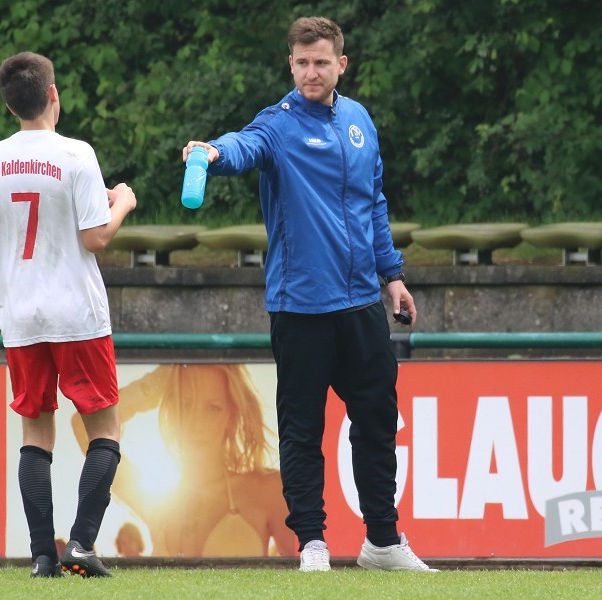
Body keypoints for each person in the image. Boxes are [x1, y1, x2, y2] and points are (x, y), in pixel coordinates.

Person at [182, 17, 437, 572]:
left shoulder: (358, 119)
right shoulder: (278, 124)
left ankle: (383, 543)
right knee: (302, 431)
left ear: (341, 64)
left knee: (377, 420)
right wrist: (212, 153)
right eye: (301, 63)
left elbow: (373, 200)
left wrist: (392, 275)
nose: (311, 72)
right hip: (300, 306)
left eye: (321, 62)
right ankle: (313, 545)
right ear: (290, 64)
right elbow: (243, 146)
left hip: (361, 303)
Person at [0, 51, 137, 579]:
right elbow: (95, 236)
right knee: (105, 427)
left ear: (11, 107)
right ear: (54, 95)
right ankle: (79, 543)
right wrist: (122, 201)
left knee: (36, 431)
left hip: (22, 319)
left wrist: (0, 253)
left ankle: (40, 557)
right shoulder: (77, 154)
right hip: (77, 315)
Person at [71, 364, 296, 557]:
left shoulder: (267, 490)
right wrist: (157, 383)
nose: (195, 424)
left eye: (212, 408)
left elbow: (300, 584)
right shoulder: (157, 504)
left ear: (231, 417)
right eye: (185, 405)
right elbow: (85, 424)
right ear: (172, 411)